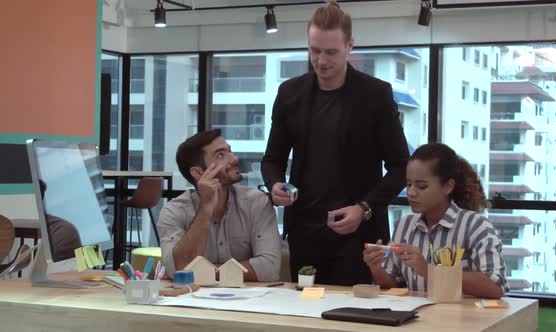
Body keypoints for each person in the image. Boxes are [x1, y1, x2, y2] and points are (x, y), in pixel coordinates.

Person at [261, 0, 409, 285]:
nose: (322, 61)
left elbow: (401, 166)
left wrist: (364, 208)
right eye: (315, 51)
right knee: (304, 319)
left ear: (350, 46)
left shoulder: (375, 95)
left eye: (331, 52)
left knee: (355, 323)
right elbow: (272, 160)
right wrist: (275, 184)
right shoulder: (290, 93)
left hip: (359, 235)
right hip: (304, 231)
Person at [363, 143, 508, 299]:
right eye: (408, 184)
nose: (411, 193)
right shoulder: (405, 225)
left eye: (422, 186)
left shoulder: (475, 225)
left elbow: (495, 286)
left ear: (448, 186)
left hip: (461, 320)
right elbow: (392, 285)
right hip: (414, 318)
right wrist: (376, 268)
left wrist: (429, 271)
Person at [159, 129, 281, 281]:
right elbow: (178, 269)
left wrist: (205, 272)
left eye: (230, 151)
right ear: (197, 173)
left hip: (248, 301)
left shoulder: (256, 202)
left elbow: (269, 268)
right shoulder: (174, 211)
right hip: (192, 300)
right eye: (220, 155)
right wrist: (206, 207)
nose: (234, 159)